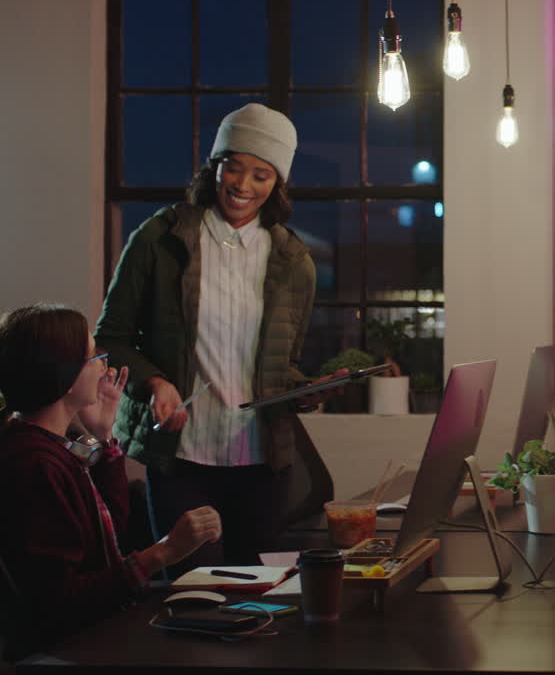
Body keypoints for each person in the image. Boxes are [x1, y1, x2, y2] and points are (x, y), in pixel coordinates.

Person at [95, 103, 326, 570]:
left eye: (260, 175)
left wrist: (305, 390)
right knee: (194, 591)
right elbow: (110, 338)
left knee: (256, 596)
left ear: (276, 183)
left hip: (262, 465)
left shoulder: (293, 260)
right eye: (233, 168)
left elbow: (283, 363)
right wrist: (156, 384)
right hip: (182, 460)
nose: (242, 185)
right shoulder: (160, 238)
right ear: (214, 167)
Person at [0, 304, 221, 659]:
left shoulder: (53, 445)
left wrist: (104, 437)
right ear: (65, 373)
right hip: (70, 645)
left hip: (92, 630)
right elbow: (60, 602)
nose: (105, 365)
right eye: (94, 356)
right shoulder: (34, 463)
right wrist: (161, 553)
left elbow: (109, 536)